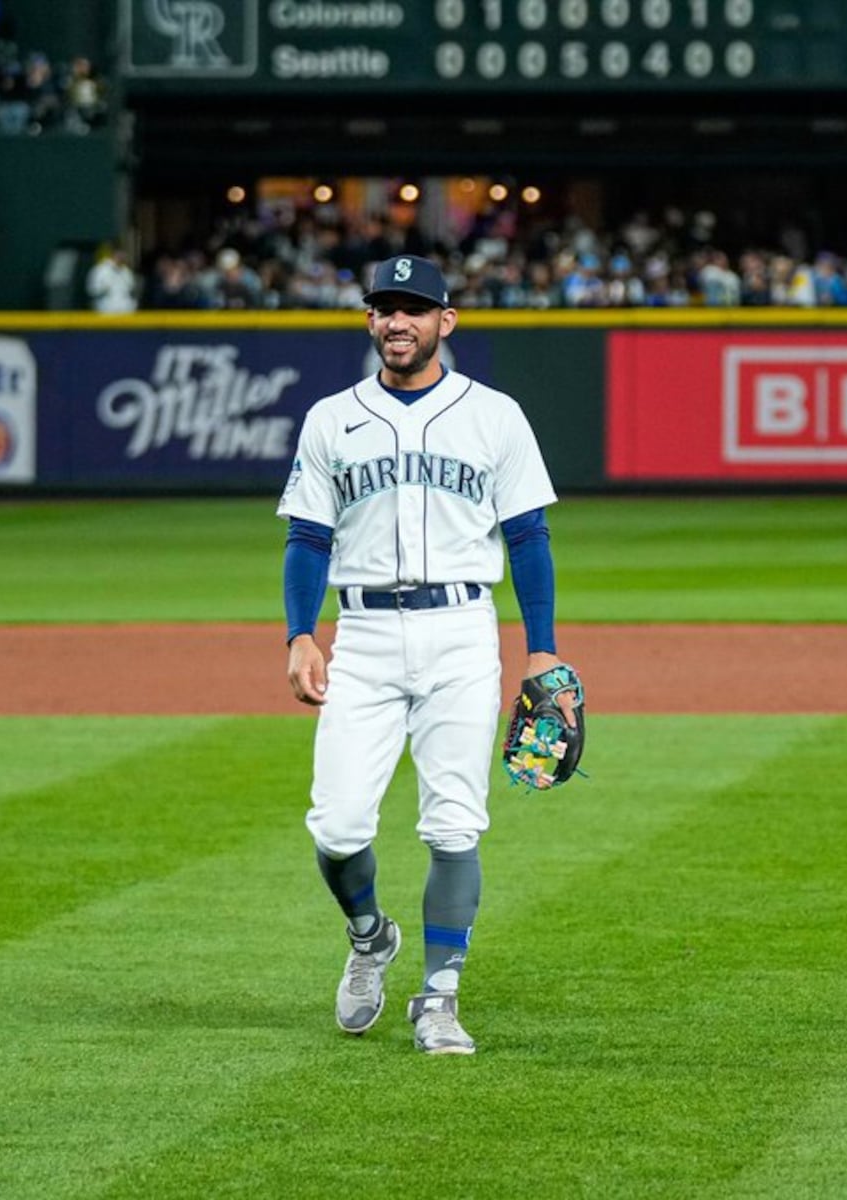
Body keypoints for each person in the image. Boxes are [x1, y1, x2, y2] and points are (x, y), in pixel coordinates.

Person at [276, 254, 575, 1055]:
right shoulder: (332, 417)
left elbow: (528, 537)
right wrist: (302, 632)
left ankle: (439, 998)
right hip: (364, 634)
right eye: (384, 308)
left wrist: (540, 650)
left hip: (460, 633)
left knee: (453, 827)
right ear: (370, 319)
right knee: (337, 827)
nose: (396, 322)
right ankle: (371, 937)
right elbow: (307, 536)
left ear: (447, 321)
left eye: (413, 308)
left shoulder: (495, 416)